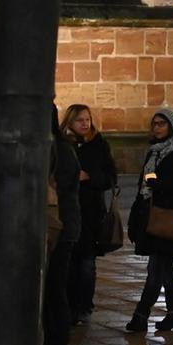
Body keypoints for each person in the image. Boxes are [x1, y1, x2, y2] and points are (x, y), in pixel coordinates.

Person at [126, 108, 173, 334]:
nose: (157, 128)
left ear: (172, 126)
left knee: (157, 267)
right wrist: (134, 217)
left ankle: (141, 315)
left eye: (161, 124)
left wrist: (162, 184)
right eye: (154, 124)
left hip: (168, 217)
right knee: (164, 267)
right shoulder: (154, 152)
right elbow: (143, 187)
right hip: (150, 216)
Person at [62, 104, 115, 325]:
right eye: (80, 120)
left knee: (86, 262)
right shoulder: (63, 145)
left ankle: (83, 306)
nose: (85, 124)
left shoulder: (99, 145)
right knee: (67, 262)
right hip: (67, 210)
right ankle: (68, 304)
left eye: (87, 119)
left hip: (91, 211)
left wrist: (89, 177)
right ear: (70, 123)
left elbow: (110, 178)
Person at [42, 104, 81, 345]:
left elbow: (61, 191)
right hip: (56, 227)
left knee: (54, 292)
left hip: (58, 229)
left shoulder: (57, 149)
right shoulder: (55, 146)